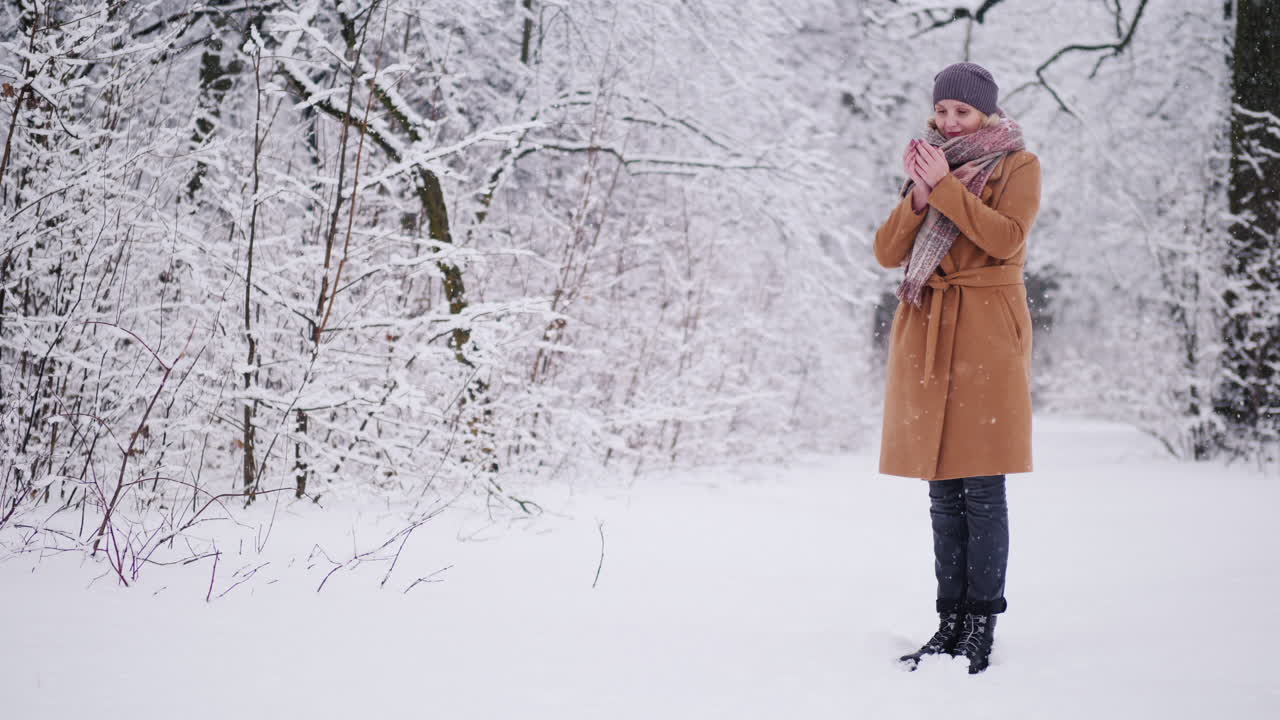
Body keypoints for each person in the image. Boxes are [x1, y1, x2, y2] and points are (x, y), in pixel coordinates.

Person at [871, 62, 1041, 675]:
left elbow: (1005, 239)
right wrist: (920, 195)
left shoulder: (1017, 164)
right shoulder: (930, 163)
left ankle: (979, 627)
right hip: (926, 325)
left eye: (961, 112)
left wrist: (943, 188)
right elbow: (889, 251)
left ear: (986, 114)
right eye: (942, 110)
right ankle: (947, 623)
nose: (948, 121)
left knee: (982, 487)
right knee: (941, 489)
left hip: (985, 328)